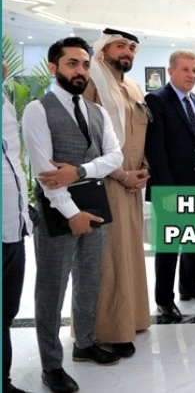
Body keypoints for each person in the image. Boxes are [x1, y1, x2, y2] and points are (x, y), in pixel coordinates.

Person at [23, 36, 124, 393]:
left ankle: (84, 344)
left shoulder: (97, 110)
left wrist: (80, 170)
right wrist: (72, 213)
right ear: (54, 67)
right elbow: (45, 173)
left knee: (89, 279)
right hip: (57, 212)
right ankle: (51, 365)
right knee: (51, 289)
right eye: (72, 64)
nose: (80, 70)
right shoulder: (37, 109)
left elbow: (115, 157)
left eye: (84, 64)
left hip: (95, 205)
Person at [83, 28, 151, 358]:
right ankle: (108, 330)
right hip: (105, 183)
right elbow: (87, 138)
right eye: (120, 46)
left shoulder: (133, 87)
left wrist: (143, 169)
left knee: (130, 255)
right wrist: (121, 173)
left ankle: (132, 319)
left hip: (132, 185)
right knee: (109, 258)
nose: (127, 52)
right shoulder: (91, 82)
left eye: (131, 48)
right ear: (103, 49)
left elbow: (141, 133)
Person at [145, 49, 195, 323]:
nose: (191, 75)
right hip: (172, 187)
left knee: (194, 239)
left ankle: (190, 286)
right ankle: (164, 300)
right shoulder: (157, 99)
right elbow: (156, 149)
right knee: (170, 244)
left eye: (194, 70)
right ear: (171, 71)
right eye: (185, 69)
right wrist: (167, 191)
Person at [3, 58, 33, 393]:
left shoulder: (6, 103)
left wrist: (25, 212)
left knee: (6, 312)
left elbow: (12, 162)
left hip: (14, 227)